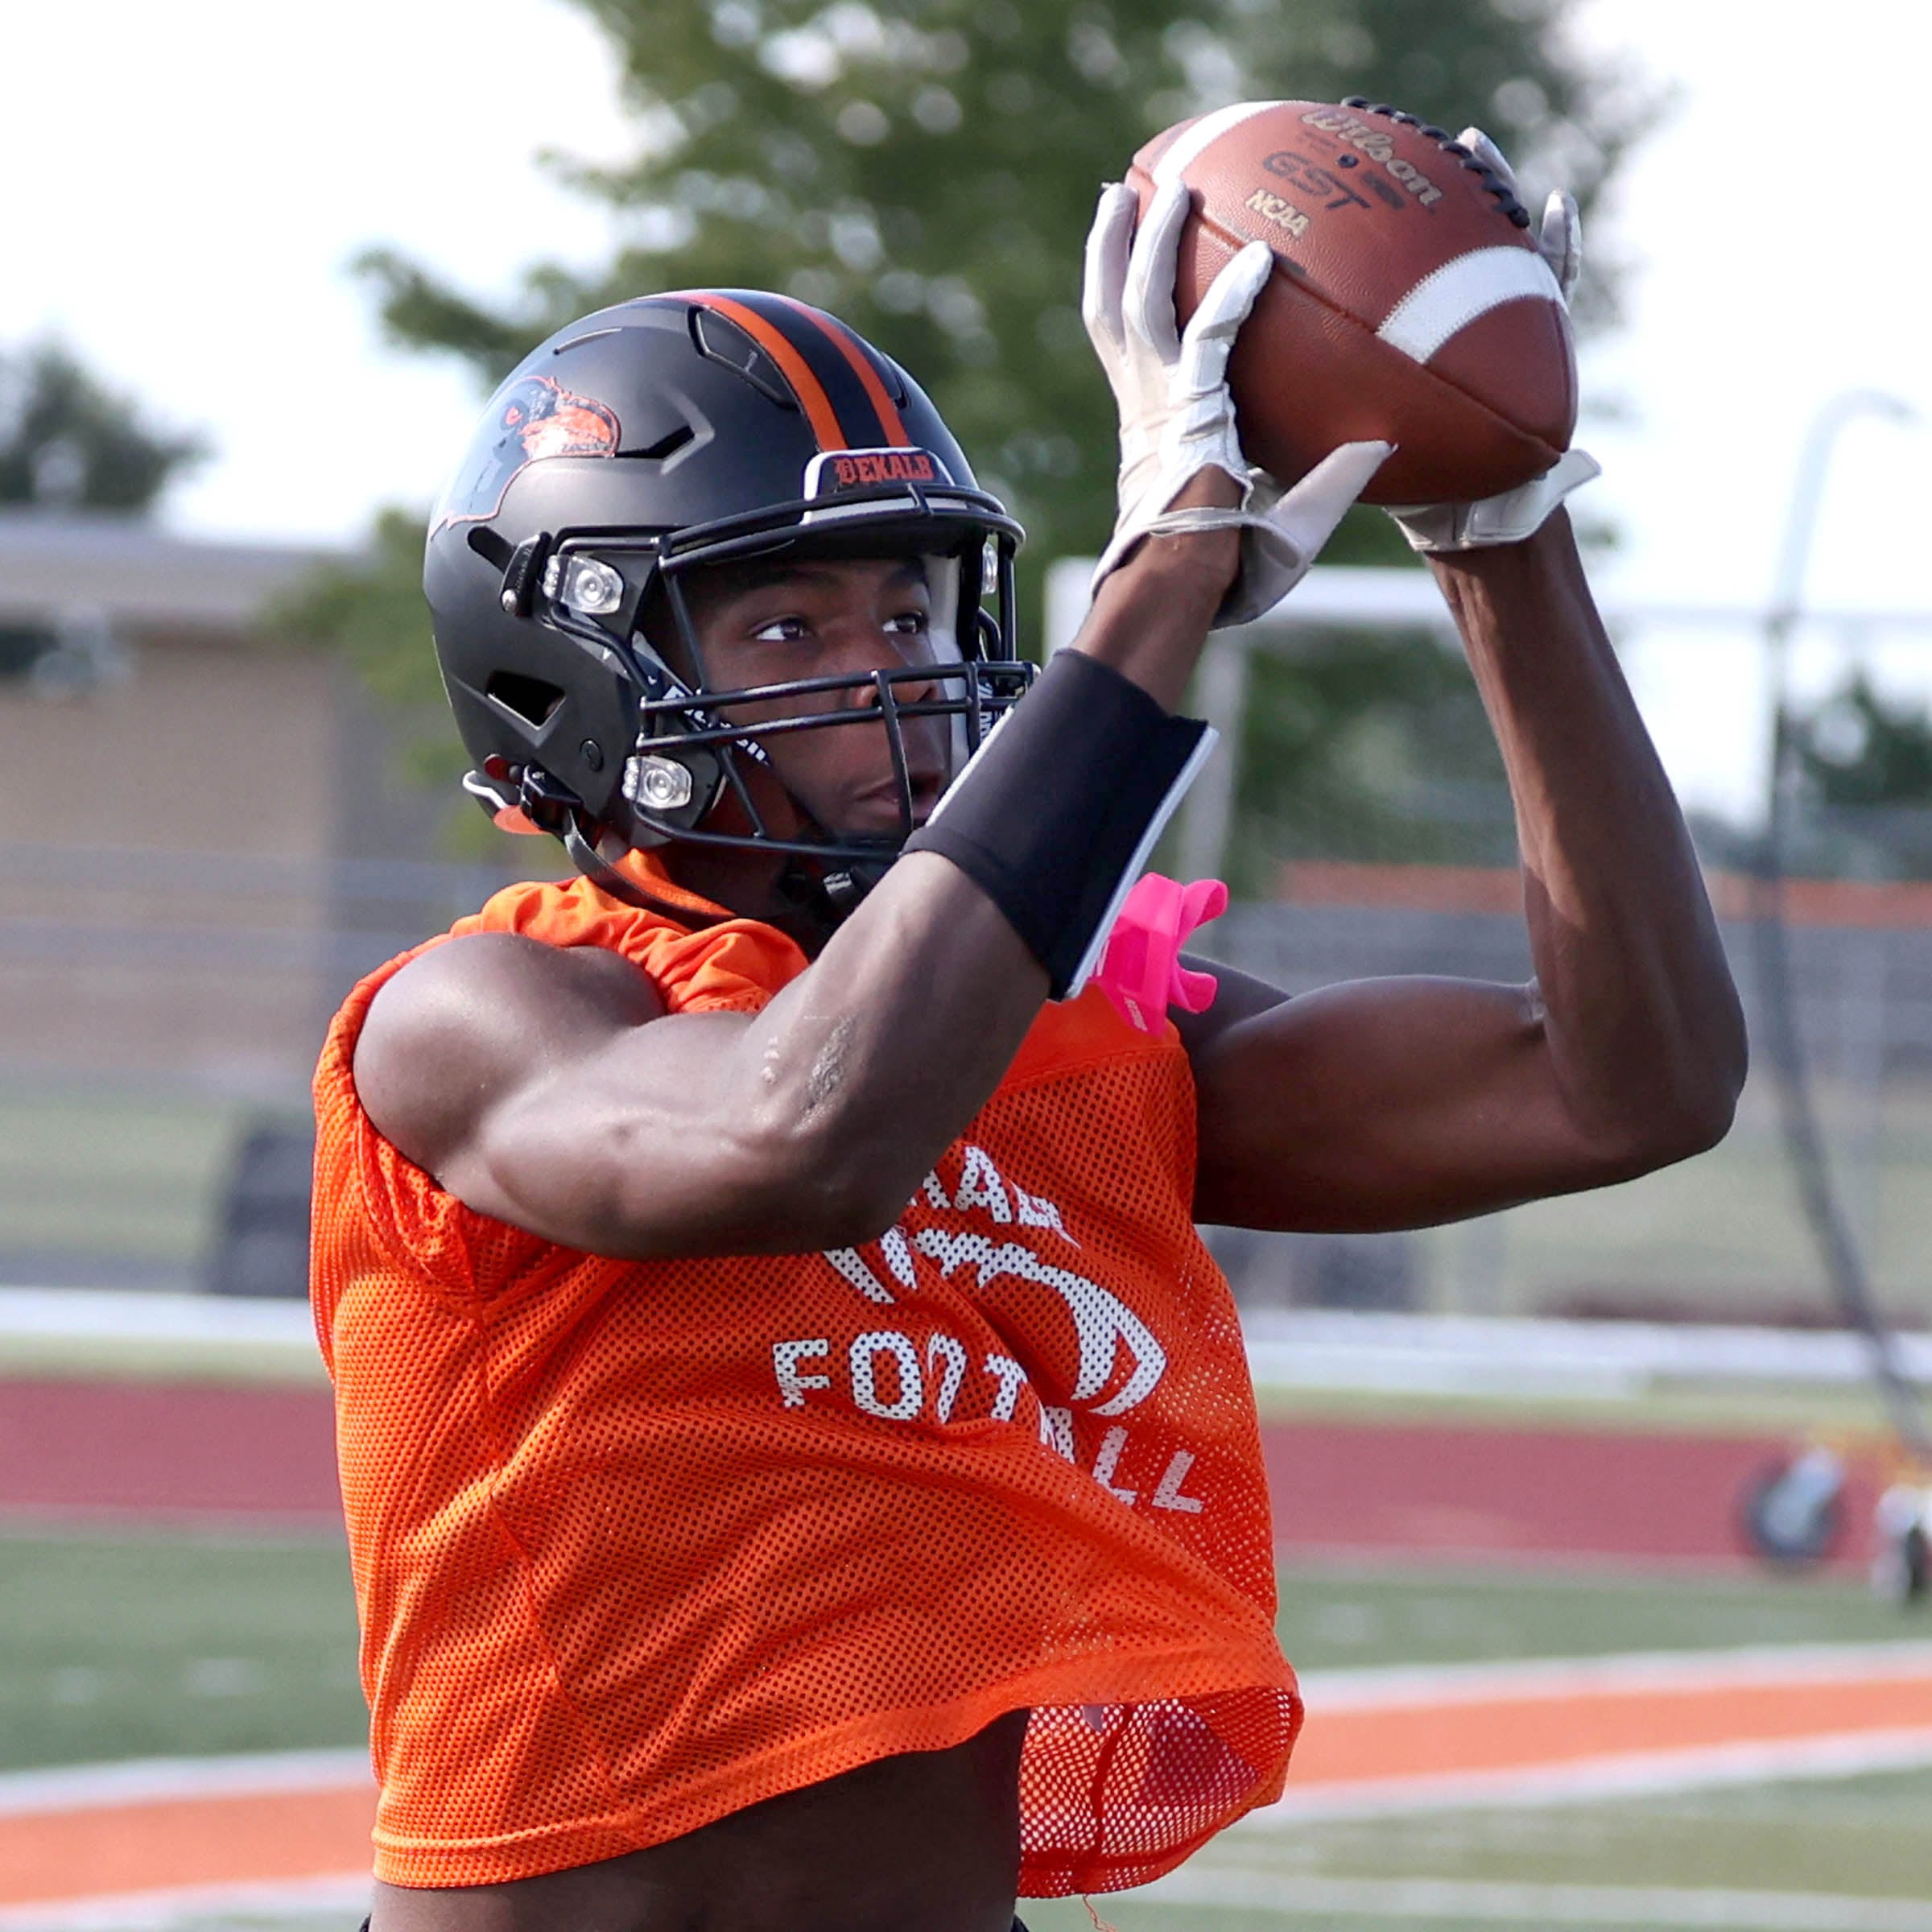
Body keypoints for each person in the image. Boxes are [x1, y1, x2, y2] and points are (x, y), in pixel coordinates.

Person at [312, 145, 1745, 1932]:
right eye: (788, 625)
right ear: (573, 680)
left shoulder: (1073, 1027)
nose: (899, 678)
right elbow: (803, 1133)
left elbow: (1627, 1086)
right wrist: (1160, 584)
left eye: (911, 610)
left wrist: (1499, 532)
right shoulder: (483, 1013)